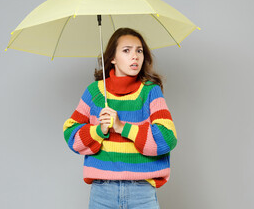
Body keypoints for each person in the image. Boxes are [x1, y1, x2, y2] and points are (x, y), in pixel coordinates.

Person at [63, 27, 177, 209]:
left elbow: (167, 138)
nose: (135, 56)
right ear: (112, 58)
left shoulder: (150, 91)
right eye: (127, 50)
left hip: (142, 192)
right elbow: (71, 136)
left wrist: (122, 126)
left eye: (139, 50)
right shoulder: (95, 92)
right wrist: (99, 130)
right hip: (102, 193)